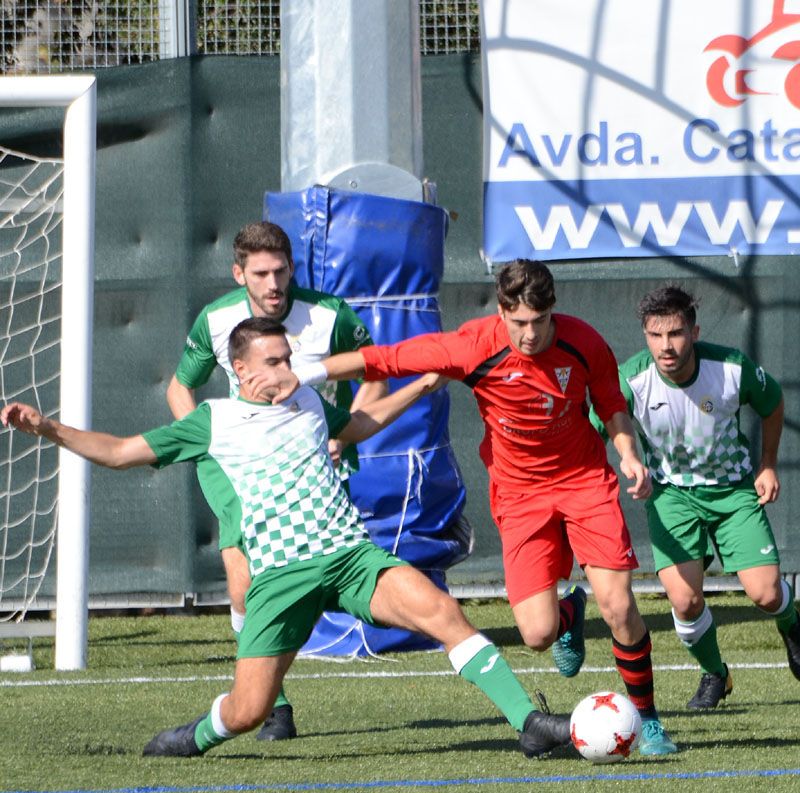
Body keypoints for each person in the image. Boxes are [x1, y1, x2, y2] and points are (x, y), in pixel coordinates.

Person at [1, 318, 573, 760]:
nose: (286, 367)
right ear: (242, 370)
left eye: (289, 356)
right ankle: (195, 737)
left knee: (445, 612)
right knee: (249, 713)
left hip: (350, 557)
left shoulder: (304, 400)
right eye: (274, 360)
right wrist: (47, 427)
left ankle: (527, 724)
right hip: (281, 577)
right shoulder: (213, 421)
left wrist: (421, 385)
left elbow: (358, 428)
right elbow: (122, 453)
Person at [258, 260, 678, 756]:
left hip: (585, 482)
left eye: (538, 322)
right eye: (518, 322)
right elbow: (387, 359)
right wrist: (305, 372)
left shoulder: (583, 342)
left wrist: (627, 453)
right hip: (520, 497)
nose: (528, 334)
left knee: (620, 606)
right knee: (537, 634)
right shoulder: (472, 344)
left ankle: (647, 721)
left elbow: (611, 404)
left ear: (553, 312)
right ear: (501, 311)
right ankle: (568, 614)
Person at [166, 221, 387, 742]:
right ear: (238, 272)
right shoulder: (217, 320)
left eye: (281, 271)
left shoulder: (329, 316)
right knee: (243, 583)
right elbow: (182, 387)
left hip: (314, 466)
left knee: (303, 587)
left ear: (292, 269)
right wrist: (203, 447)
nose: (273, 284)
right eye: (260, 273)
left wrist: (345, 435)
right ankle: (274, 705)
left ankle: (265, 695)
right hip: (239, 467)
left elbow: (376, 372)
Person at [606, 284, 800, 709]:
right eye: (655, 336)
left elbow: (772, 403)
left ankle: (791, 624)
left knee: (767, 594)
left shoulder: (730, 367)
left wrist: (767, 464)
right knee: (685, 600)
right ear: (644, 335)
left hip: (732, 493)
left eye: (675, 333)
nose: (666, 346)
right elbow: (605, 417)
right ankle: (716, 673)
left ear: (694, 331)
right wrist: (629, 457)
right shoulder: (631, 378)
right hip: (672, 496)